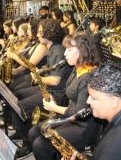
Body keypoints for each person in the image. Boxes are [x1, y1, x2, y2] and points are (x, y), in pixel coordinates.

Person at [28, 32, 101, 160]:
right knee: (34, 132)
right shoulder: (77, 68)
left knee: (40, 145)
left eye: (69, 49)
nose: (65, 53)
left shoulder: (88, 76)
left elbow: (79, 111)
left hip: (84, 127)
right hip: (70, 117)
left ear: (82, 51)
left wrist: (54, 108)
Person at [11, 19, 71, 158]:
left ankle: (27, 144)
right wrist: (41, 72)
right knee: (18, 95)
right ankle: (24, 130)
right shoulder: (53, 48)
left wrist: (39, 78)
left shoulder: (57, 51)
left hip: (56, 95)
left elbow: (55, 81)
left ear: (48, 33)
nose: (37, 35)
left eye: (39, 32)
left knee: (20, 106)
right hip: (49, 89)